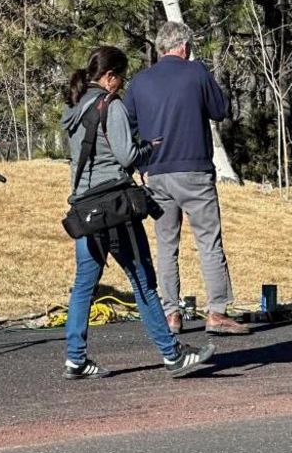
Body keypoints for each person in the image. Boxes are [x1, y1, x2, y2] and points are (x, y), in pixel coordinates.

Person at [61, 46, 216, 380]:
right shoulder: (109, 105)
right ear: (110, 76)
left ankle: (75, 358)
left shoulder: (75, 108)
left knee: (84, 285)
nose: (123, 84)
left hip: (85, 207)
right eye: (122, 77)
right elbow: (126, 154)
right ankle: (172, 353)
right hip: (114, 207)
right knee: (143, 281)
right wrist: (150, 147)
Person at [122, 22, 249, 335]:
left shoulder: (140, 82)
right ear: (184, 46)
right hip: (193, 169)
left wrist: (141, 159)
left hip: (157, 171)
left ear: (161, 48)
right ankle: (217, 311)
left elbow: (125, 123)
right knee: (208, 240)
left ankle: (171, 314)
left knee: (166, 245)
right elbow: (220, 110)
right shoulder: (196, 73)